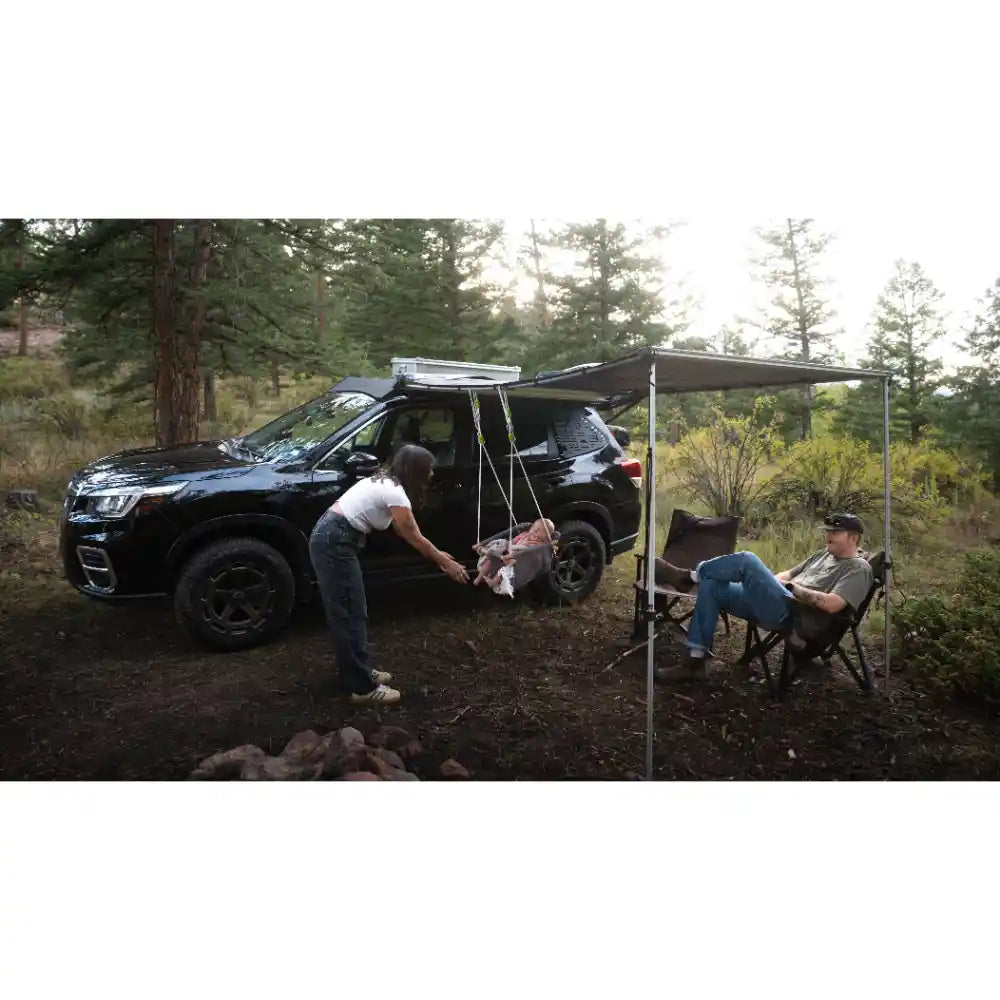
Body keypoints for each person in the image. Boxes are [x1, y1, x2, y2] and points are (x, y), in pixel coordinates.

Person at [309, 444, 470, 705]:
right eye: (428, 469)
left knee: (353, 611)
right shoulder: (395, 492)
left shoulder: (384, 480)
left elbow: (402, 530)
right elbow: (412, 535)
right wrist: (444, 561)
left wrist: (438, 556)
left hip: (333, 537)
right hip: (334, 541)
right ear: (415, 470)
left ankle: (357, 670)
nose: (431, 474)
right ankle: (362, 689)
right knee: (349, 613)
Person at [652, 512, 874, 682]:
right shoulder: (824, 554)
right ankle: (694, 661)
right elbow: (789, 573)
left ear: (854, 538)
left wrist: (791, 588)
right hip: (777, 600)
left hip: (794, 616)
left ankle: (687, 576)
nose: (829, 536)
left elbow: (832, 604)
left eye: (835, 533)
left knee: (748, 559)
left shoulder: (858, 568)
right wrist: (767, 582)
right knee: (712, 585)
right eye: (828, 532)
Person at [472, 518, 557, 596]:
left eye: (542, 531)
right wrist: (508, 545)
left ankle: (494, 582)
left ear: (547, 537)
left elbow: (535, 551)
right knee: (490, 561)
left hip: (518, 559)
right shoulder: (524, 534)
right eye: (535, 528)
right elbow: (512, 541)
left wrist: (537, 544)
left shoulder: (540, 545)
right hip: (506, 553)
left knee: (504, 571)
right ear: (531, 527)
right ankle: (479, 577)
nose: (536, 532)